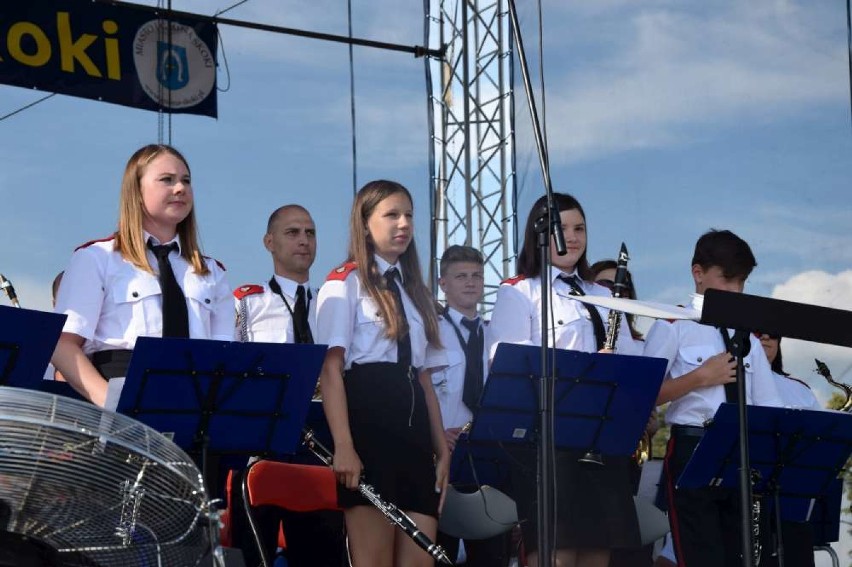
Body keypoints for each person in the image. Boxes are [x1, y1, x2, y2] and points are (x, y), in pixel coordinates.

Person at [489, 192, 642, 567]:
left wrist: (614, 365)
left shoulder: (603, 294)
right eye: (562, 229)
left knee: (596, 552)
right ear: (539, 234)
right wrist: (580, 367)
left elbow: (634, 358)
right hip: (549, 440)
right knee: (556, 553)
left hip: (601, 439)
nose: (572, 237)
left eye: (580, 228)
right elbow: (503, 359)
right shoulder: (520, 290)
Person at [315, 179, 449, 567]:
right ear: (365, 222)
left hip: (415, 438)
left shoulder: (415, 292)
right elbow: (331, 368)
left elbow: (424, 378)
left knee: (421, 559)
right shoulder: (345, 283)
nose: (404, 224)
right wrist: (344, 446)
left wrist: (441, 449)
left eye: (408, 215)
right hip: (369, 430)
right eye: (391, 215)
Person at [52, 144, 233, 407]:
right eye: (166, 180)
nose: (180, 188)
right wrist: (114, 404)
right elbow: (63, 345)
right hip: (119, 398)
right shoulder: (97, 258)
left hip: (193, 403)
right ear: (136, 191)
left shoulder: (211, 273)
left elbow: (224, 358)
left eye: (186, 181)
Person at [643, 229, 783, 567]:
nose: (736, 291)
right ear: (698, 273)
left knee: (745, 553)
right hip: (695, 446)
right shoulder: (673, 323)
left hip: (744, 452)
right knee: (700, 552)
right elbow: (643, 395)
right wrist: (699, 377)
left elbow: (769, 404)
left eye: (742, 282)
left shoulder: (746, 331)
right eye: (728, 279)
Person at [229, 204, 346, 567]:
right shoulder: (248, 304)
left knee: (322, 556)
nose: (304, 241)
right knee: (254, 554)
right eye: (292, 233)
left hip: (322, 446)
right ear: (269, 242)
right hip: (263, 445)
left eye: (310, 233)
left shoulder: (335, 303)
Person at [432, 245, 512, 566]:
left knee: (492, 555)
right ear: (443, 283)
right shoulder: (431, 332)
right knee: (442, 554)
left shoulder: (498, 334)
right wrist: (434, 433)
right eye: (460, 276)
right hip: (445, 456)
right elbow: (417, 392)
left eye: (477, 275)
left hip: (490, 455)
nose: (470, 282)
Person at [590, 259, 656, 567]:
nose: (614, 293)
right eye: (604, 285)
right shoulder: (590, 338)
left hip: (632, 457)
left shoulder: (643, 344)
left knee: (632, 548)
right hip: (596, 453)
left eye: (621, 288)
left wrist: (649, 420)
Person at [756, 332, 819, 567]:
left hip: (792, 496)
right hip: (744, 495)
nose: (765, 338)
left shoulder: (800, 389)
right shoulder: (728, 382)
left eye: (772, 334)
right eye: (756, 332)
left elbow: (820, 441)